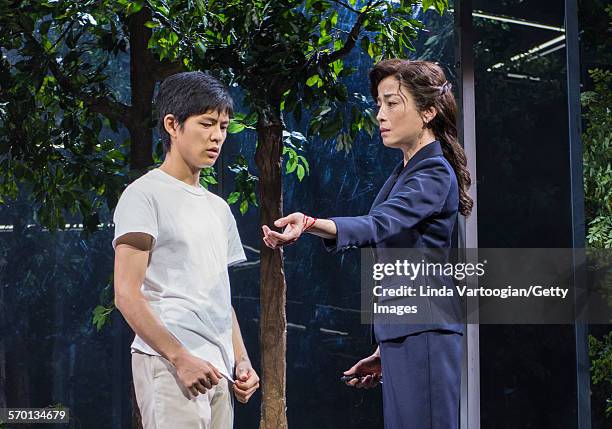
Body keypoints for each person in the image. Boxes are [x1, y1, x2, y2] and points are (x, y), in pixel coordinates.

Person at [262, 59, 473, 429]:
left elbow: (379, 224)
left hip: (424, 332)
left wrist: (311, 223)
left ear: (428, 111)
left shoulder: (433, 171)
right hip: (409, 332)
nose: (380, 114)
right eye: (379, 104)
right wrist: (387, 345)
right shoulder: (409, 171)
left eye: (392, 103)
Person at [113, 71, 259, 429]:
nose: (217, 136)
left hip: (218, 369)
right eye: (207, 123)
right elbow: (126, 294)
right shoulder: (144, 194)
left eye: (223, 126)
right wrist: (180, 358)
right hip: (169, 362)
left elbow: (219, 297)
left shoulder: (218, 208)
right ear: (172, 125)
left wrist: (241, 360)